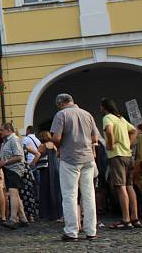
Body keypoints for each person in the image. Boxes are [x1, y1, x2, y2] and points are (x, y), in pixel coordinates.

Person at [50, 93, 100, 241]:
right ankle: (91, 231)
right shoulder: (87, 114)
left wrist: (59, 146)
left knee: (70, 195)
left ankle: (72, 231)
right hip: (88, 158)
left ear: (60, 103)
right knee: (89, 195)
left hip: (70, 158)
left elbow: (56, 138)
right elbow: (95, 138)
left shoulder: (61, 115)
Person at [100, 98, 140, 229]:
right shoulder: (121, 118)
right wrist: (128, 143)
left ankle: (125, 219)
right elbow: (134, 131)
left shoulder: (107, 118)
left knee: (120, 186)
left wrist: (110, 144)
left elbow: (109, 131)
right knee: (130, 186)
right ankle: (135, 218)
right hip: (128, 155)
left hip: (117, 156)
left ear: (103, 107)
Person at [0, 123, 29, 229]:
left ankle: (13, 219)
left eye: (2, 130)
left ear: (9, 130)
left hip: (15, 169)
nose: (0, 132)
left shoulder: (13, 140)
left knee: (13, 192)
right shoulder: (6, 141)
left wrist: (5, 162)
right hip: (9, 169)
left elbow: (19, 156)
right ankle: (23, 219)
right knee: (15, 194)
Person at [35, 130, 62, 221]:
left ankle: (46, 213)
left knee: (45, 190)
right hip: (55, 168)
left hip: (46, 170)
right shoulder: (54, 146)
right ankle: (57, 213)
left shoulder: (42, 146)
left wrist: (31, 164)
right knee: (55, 190)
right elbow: (58, 155)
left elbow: (37, 155)